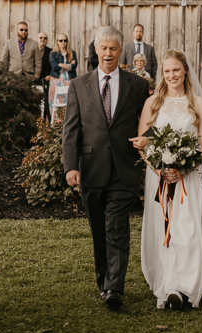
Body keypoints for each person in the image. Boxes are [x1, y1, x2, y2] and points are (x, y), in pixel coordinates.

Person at [62, 26, 150, 310]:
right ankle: (104, 281)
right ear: (96, 50)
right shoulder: (79, 85)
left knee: (117, 226)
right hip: (91, 168)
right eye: (104, 48)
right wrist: (70, 167)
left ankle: (114, 288)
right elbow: (71, 130)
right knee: (99, 230)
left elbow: (148, 120)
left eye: (114, 48)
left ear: (121, 50)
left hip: (124, 168)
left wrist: (146, 140)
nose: (109, 53)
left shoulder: (136, 85)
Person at [137, 49, 202, 310]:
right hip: (161, 178)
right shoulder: (153, 103)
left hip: (189, 176)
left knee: (186, 230)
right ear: (161, 74)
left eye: (176, 69)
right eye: (166, 71)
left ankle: (184, 287)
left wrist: (184, 168)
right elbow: (143, 143)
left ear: (185, 70)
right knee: (166, 231)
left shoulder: (195, 102)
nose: (171, 75)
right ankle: (170, 282)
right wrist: (160, 170)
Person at [49, 33, 78, 112]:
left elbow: (74, 66)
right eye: (60, 40)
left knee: (69, 98)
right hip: (57, 79)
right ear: (57, 42)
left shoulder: (72, 52)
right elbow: (55, 67)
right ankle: (55, 120)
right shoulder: (53, 53)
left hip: (69, 79)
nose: (63, 42)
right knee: (55, 99)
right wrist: (69, 66)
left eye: (65, 40)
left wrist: (62, 65)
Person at [37, 32, 52, 120]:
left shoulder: (51, 51)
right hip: (35, 80)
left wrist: (51, 75)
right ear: (37, 39)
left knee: (46, 103)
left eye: (45, 38)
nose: (43, 40)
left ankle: (46, 122)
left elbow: (54, 65)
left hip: (46, 80)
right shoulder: (32, 50)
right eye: (41, 38)